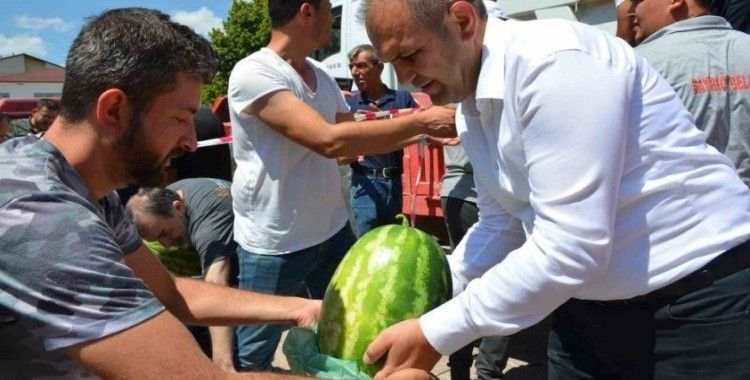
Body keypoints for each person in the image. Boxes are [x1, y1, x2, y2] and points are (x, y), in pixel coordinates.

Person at [359, 1, 750, 379]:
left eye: (409, 55)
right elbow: (501, 225)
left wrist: (436, 332)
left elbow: (573, 245)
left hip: (696, 306)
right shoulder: (471, 106)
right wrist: (423, 294)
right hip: (588, 313)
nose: (405, 77)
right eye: (393, 63)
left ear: (462, 20)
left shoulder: (554, 61)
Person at [0, 8, 321, 379]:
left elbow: (171, 294)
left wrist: (301, 309)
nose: (190, 141)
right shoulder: (40, 214)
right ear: (115, 109)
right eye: (180, 118)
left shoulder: (88, 190)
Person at [228, 0, 456, 371]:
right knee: (254, 355)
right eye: (328, 12)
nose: (334, 25)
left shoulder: (320, 74)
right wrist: (421, 124)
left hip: (332, 233)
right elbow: (330, 140)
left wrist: (418, 138)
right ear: (307, 11)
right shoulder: (254, 72)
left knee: (348, 341)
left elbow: (350, 141)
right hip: (274, 243)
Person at [633, 0, 750, 187]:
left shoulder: (637, 65)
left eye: (638, 1)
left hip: (684, 210)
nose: (632, 11)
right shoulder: (745, 46)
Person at [126, 178, 238, 371]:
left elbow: (216, 284)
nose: (167, 244)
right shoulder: (166, 201)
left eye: (164, 234)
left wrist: (223, 366)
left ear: (178, 207)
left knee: (247, 344)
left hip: (265, 247)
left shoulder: (211, 221)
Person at [440, 143, 509, 380]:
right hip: (478, 196)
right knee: (501, 288)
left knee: (464, 287)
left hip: (451, 194)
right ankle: (488, 371)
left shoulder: (458, 110)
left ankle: (459, 369)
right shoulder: (486, 109)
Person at [346, 44, 417, 237]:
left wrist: (387, 121)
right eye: (351, 66)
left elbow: (420, 128)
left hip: (394, 186)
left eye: (361, 65)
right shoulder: (349, 105)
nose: (354, 72)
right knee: (365, 244)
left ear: (379, 67)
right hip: (365, 185)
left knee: (391, 242)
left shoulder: (402, 99)